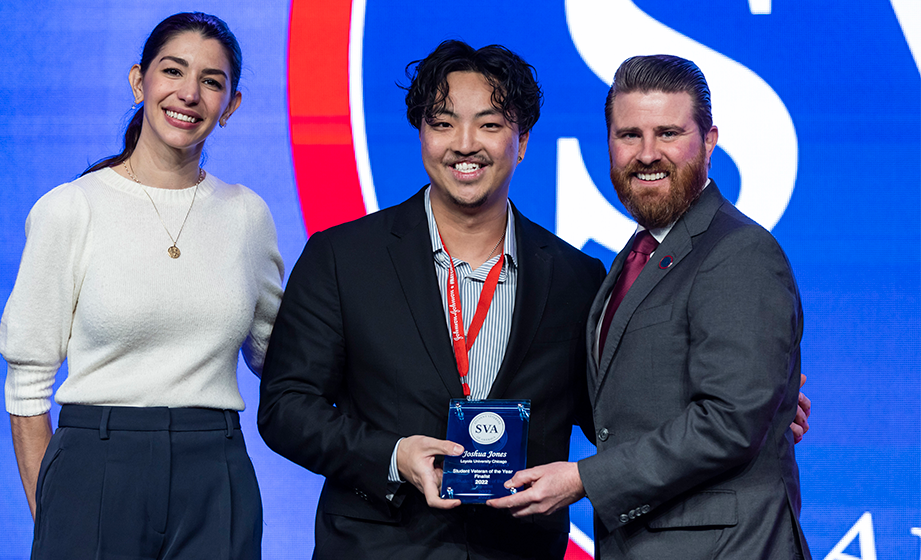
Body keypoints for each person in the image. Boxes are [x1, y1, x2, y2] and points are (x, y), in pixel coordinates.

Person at [257, 40, 606, 559]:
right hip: (379, 544)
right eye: (443, 123)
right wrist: (393, 456)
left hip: (518, 548)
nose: (465, 144)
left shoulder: (577, 277)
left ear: (523, 141)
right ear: (421, 134)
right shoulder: (343, 256)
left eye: (489, 124)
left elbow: (611, 418)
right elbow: (286, 406)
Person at [487, 55, 812, 559]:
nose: (647, 154)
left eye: (668, 133)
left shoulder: (738, 251)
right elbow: (630, 401)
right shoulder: (637, 257)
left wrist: (583, 478)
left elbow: (728, 422)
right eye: (628, 135)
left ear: (709, 141)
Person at [0, 12, 283, 559]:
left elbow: (280, 356)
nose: (189, 94)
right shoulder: (70, 209)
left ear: (232, 106)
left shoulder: (247, 215)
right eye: (172, 71)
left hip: (215, 470)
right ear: (139, 81)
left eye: (211, 81)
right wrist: (55, 517)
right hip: (94, 464)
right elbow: (28, 384)